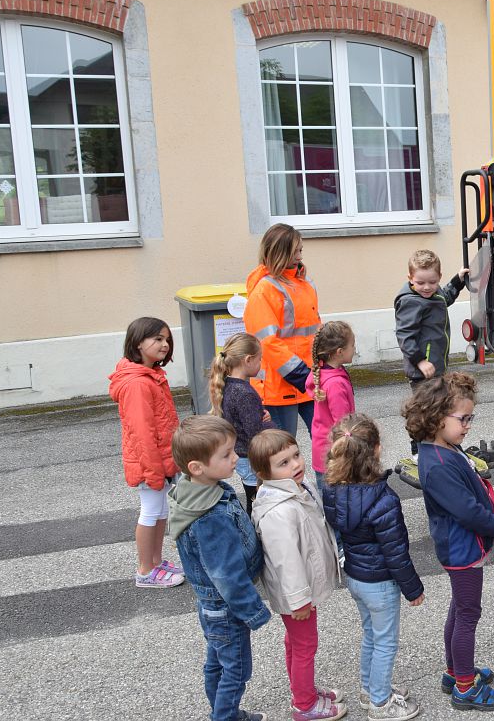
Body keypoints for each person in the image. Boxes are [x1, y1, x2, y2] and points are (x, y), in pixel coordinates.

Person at [406, 373, 494, 711]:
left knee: (459, 608)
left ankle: (454, 672)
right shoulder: (437, 464)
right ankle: (465, 687)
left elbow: (472, 489)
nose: (468, 425)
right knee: (468, 614)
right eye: (462, 419)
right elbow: (466, 511)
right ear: (436, 419)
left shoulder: (444, 448)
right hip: (462, 548)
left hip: (460, 546)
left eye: (470, 417)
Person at [168, 415, 272, 721]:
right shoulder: (209, 516)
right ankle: (226, 717)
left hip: (212, 606)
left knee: (218, 662)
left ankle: (222, 712)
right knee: (236, 669)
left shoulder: (197, 490)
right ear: (196, 468)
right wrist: (253, 611)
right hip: (226, 608)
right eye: (226, 455)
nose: (235, 457)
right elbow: (226, 575)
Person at [322, 414, 425, 721]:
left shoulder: (332, 490)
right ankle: (380, 702)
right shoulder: (383, 499)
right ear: (377, 449)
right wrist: (413, 589)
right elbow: (395, 553)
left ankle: (370, 688)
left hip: (355, 575)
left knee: (371, 634)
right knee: (385, 642)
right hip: (380, 582)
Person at [249, 428, 345, 721]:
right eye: (284, 463)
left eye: (296, 455)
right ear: (264, 473)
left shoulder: (296, 488)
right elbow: (286, 561)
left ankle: (303, 690)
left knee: (296, 642)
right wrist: (299, 600)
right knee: (305, 645)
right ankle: (304, 705)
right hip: (296, 593)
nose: (295, 464)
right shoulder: (279, 511)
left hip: (301, 587)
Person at [109, 316, 185, 588]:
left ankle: (155, 562)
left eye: (166, 339)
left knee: (161, 511)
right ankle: (145, 570)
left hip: (161, 461)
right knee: (151, 512)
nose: (165, 344)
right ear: (138, 343)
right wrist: (154, 471)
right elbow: (142, 433)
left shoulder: (151, 376)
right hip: (149, 463)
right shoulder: (138, 383)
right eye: (157, 339)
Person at [245, 223, 320, 439]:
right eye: (295, 251)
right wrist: (302, 374)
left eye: (301, 250)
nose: (300, 256)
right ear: (280, 252)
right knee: (282, 448)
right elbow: (267, 343)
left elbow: (314, 329)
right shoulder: (264, 291)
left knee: (327, 441)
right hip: (279, 385)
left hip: (307, 377)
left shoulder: (305, 284)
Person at [210, 332, 275, 515]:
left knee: (252, 497)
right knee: (257, 501)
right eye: (259, 359)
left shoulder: (228, 385)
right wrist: (269, 425)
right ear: (248, 360)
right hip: (250, 456)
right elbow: (255, 433)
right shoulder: (244, 392)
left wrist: (260, 414)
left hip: (240, 453)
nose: (260, 364)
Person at [394, 249, 470, 388]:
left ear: (439, 277)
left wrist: (458, 280)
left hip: (436, 365)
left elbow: (445, 297)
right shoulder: (410, 302)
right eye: (420, 283)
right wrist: (420, 361)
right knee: (427, 408)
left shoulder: (434, 293)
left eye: (432, 282)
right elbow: (405, 336)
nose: (427, 287)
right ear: (410, 278)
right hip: (422, 372)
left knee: (437, 406)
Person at [306, 321, 356, 489]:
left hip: (323, 449)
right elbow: (343, 423)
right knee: (336, 500)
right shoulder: (335, 383)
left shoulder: (324, 373)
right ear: (339, 352)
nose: (354, 350)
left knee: (328, 498)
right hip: (335, 452)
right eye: (352, 346)